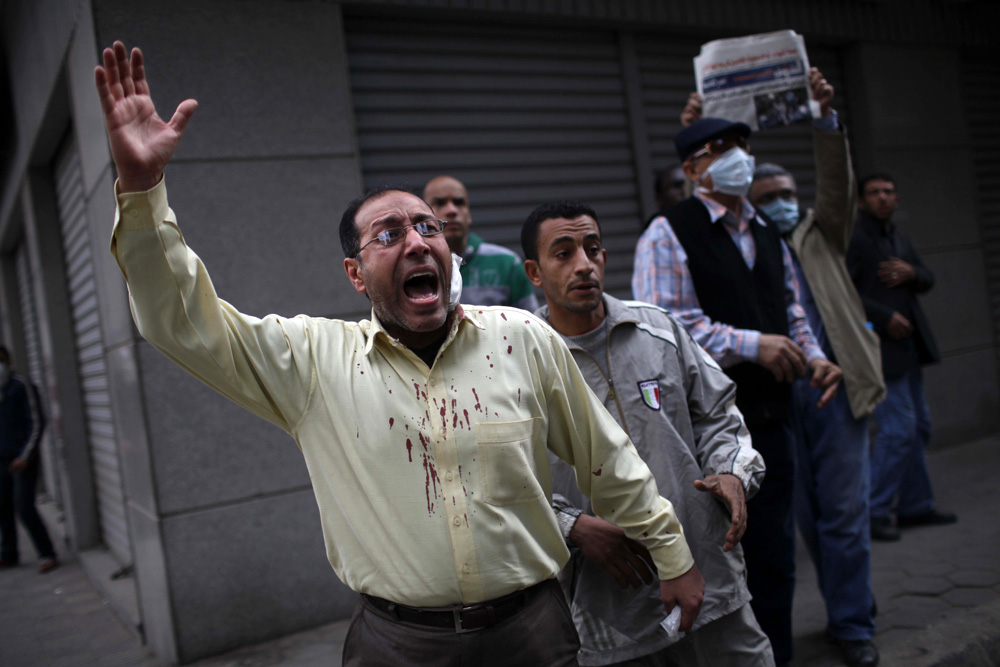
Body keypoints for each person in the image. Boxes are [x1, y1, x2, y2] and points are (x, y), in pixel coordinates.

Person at [95, 41, 704, 666]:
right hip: (397, 644)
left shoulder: (522, 338)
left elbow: (609, 459)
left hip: (535, 631)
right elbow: (182, 321)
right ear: (356, 275)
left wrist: (673, 555)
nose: (416, 241)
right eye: (388, 235)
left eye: (427, 228)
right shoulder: (314, 360)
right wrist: (142, 190)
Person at [631, 100, 842, 667]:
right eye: (720, 151)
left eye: (741, 148)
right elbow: (664, 326)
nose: (738, 160)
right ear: (693, 170)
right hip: (704, 436)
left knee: (774, 557)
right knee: (721, 563)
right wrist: (755, 344)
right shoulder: (668, 233)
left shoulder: (768, 229)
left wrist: (814, 356)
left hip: (771, 419)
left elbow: (790, 309)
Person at [522, 200, 774, 667]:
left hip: (709, 572)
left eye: (592, 248)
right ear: (534, 272)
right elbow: (501, 474)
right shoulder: (520, 362)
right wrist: (570, 525)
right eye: (564, 253)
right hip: (612, 604)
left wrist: (731, 470)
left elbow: (717, 412)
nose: (584, 265)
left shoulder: (658, 329)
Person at [743, 68, 885, 667]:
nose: (778, 201)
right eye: (765, 195)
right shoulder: (746, 244)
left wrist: (825, 120)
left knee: (845, 515)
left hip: (836, 387)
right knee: (806, 519)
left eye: (783, 193)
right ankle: (836, 615)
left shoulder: (819, 232)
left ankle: (854, 624)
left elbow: (834, 182)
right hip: (782, 396)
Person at [847, 173, 955, 543]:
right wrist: (883, 316)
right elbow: (842, 293)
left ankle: (915, 505)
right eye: (874, 193)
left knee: (918, 427)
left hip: (908, 350)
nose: (882, 198)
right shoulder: (856, 238)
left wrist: (912, 272)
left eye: (889, 192)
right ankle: (874, 511)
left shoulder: (897, 236)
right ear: (861, 201)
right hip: (879, 350)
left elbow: (927, 278)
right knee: (898, 430)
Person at [423, 175, 539, 310]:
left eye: (459, 203)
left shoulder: (506, 263)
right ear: (424, 216)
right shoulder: (416, 264)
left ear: (469, 215)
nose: (452, 210)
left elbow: (530, 324)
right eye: (440, 203)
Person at [0, 345, 58, 574]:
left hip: (23, 459)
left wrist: (25, 455)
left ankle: (46, 553)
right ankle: (9, 554)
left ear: (8, 361)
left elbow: (36, 421)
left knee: (24, 507)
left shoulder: (21, 386)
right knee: (2, 508)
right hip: (1, 461)